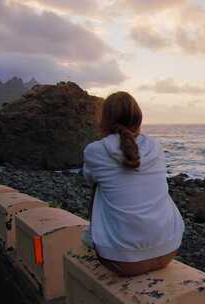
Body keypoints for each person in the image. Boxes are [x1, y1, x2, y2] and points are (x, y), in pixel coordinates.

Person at [82, 91, 185, 276]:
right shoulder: (155, 146)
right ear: (138, 119)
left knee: (98, 187)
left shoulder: (94, 150)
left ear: (105, 120)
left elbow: (89, 179)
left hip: (121, 260)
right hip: (170, 248)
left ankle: (92, 236)